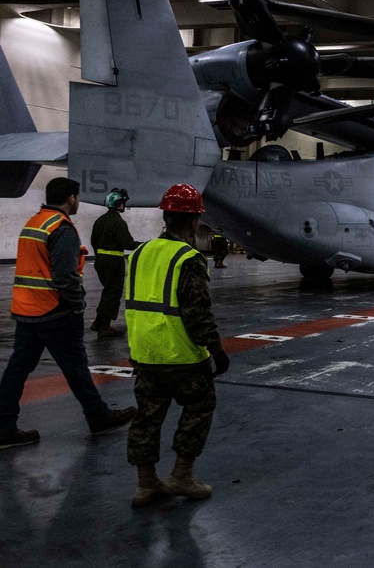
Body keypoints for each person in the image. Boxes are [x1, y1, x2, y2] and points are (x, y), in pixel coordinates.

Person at [0, 178, 137, 450]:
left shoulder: (34, 223)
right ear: (71, 198)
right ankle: (98, 416)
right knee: (75, 366)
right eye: (77, 196)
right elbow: (65, 276)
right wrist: (77, 304)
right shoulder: (61, 228)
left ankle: (3, 427)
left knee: (17, 370)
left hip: (26, 310)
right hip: (54, 311)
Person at [125, 183, 230, 506]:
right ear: (195, 221)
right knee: (199, 407)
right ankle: (182, 475)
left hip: (144, 352)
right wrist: (216, 349)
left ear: (166, 217)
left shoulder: (140, 252)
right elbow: (196, 312)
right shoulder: (188, 258)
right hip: (181, 355)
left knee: (147, 417)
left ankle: (146, 484)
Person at [90, 188, 141, 337]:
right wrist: (146, 245)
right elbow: (128, 244)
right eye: (123, 203)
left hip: (100, 261)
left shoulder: (100, 220)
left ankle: (98, 323)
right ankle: (105, 326)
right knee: (112, 294)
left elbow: (93, 241)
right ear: (118, 204)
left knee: (107, 292)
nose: (124, 206)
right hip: (114, 262)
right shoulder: (118, 222)